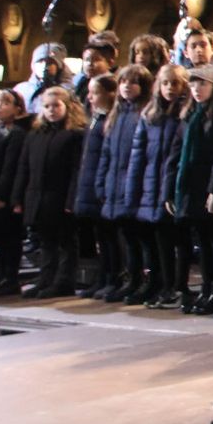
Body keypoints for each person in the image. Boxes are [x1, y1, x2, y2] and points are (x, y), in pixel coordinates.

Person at [4, 87, 88, 297]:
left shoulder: (74, 134)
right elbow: (24, 167)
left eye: (56, 106)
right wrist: (18, 197)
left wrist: (72, 199)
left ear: (67, 107)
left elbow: (77, 169)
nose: (51, 110)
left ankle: (64, 281)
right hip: (37, 195)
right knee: (45, 241)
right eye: (47, 106)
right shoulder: (36, 134)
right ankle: (46, 278)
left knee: (65, 241)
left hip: (60, 195)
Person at [129, 63, 191, 310]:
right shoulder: (150, 115)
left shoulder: (185, 114)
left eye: (175, 83)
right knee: (159, 240)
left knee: (179, 238)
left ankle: (180, 286)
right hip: (152, 183)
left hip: (175, 182)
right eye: (165, 83)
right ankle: (163, 284)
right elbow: (139, 154)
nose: (169, 88)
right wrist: (134, 189)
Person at [173, 74, 213, 315]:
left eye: (203, 83)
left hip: (210, 184)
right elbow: (179, 153)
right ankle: (207, 289)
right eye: (193, 84)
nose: (197, 89)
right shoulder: (191, 114)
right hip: (193, 186)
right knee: (203, 242)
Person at [99, 65, 152, 303]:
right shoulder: (116, 115)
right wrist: (103, 182)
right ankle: (131, 279)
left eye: (132, 82)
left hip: (136, 184)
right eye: (123, 82)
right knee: (127, 237)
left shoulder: (145, 113)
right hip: (116, 184)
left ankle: (146, 280)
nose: (126, 86)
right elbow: (107, 154)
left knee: (141, 238)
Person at [71, 74, 118, 299]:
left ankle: (113, 277)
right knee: (102, 237)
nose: (89, 97)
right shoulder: (95, 118)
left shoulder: (112, 119)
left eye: (95, 92)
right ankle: (103, 277)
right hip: (91, 185)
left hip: (105, 186)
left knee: (111, 237)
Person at [0, 90, 34, 295]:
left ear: (18, 108)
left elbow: (10, 167)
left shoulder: (17, 133)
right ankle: (1, 275)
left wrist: (0, 195)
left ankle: (10, 277)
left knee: (9, 238)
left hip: (8, 196)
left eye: (5, 103)